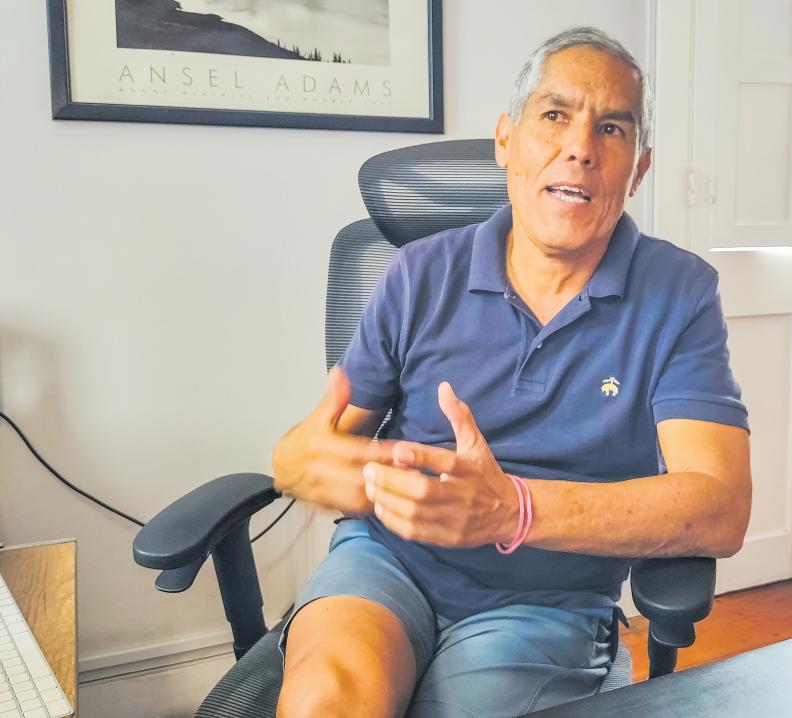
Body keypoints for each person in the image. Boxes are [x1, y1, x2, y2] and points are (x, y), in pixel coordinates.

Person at [272, 25, 752, 718]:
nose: (580, 148)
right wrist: (305, 463)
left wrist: (511, 510)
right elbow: (313, 445)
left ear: (638, 168)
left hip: (547, 602)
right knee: (327, 698)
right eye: (554, 115)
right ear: (506, 139)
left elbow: (720, 509)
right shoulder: (419, 272)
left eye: (611, 128)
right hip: (388, 564)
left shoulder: (679, 293)